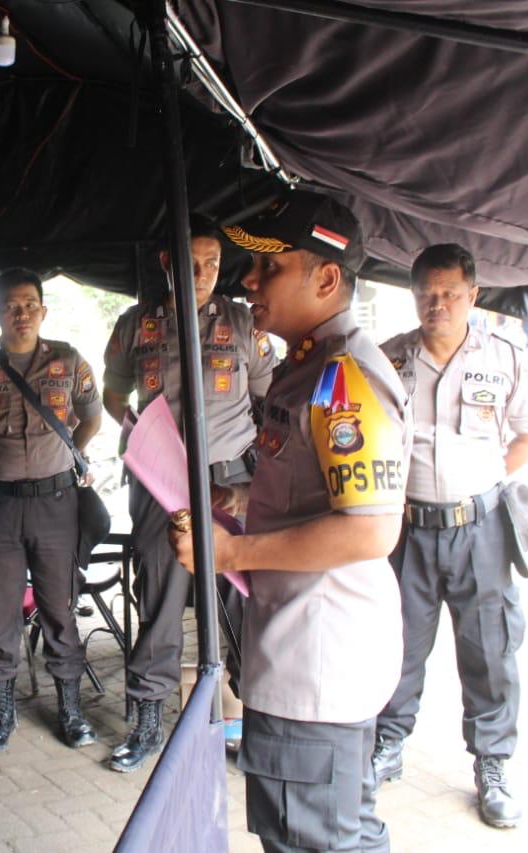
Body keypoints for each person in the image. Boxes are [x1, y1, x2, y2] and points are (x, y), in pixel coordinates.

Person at [172, 191, 410, 852]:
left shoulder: (342, 376)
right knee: (340, 832)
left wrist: (231, 553)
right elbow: (310, 489)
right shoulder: (305, 366)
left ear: (326, 279)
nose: (249, 280)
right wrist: (235, 503)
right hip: (303, 647)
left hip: (316, 664)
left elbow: (370, 530)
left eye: (270, 267)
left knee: (311, 839)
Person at [372, 244, 528, 829]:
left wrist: (486, 479)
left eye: (449, 293)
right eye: (426, 293)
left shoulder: (505, 358)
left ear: (473, 294)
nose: (437, 304)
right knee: (398, 644)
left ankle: (492, 764)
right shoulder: (389, 358)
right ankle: (388, 743)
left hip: (481, 529)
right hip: (408, 530)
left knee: (489, 650)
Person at [102, 214, 275, 772]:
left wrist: (260, 473)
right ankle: (149, 717)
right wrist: (137, 435)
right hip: (164, 483)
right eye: (189, 262)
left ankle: (254, 716)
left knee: (240, 597)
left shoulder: (243, 323)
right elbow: (112, 393)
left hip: (232, 480)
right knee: (160, 594)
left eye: (211, 264)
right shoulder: (136, 325)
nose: (201, 273)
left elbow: (272, 399)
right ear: (165, 262)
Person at [0, 268, 103, 752]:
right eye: (11, 307)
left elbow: (92, 417)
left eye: (30, 304)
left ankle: (70, 709)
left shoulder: (68, 360)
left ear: (43, 310)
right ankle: (1, 711)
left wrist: (66, 454)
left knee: (59, 608)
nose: (22, 314)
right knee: (0, 610)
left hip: (56, 504)